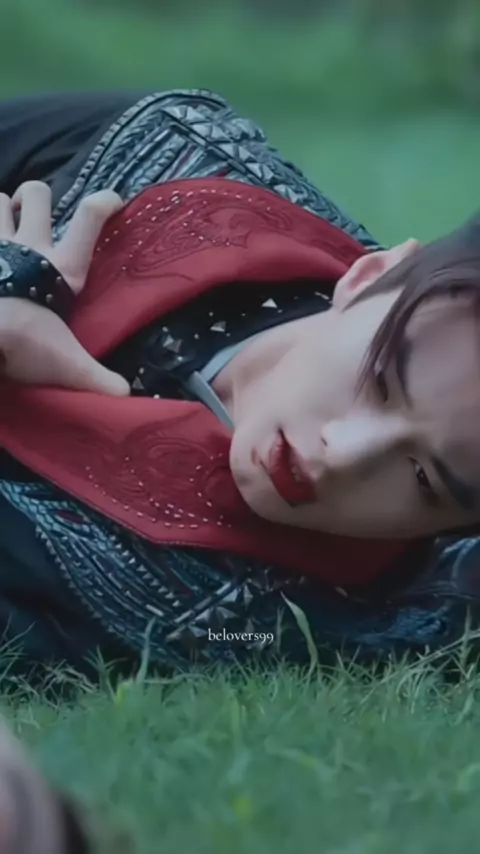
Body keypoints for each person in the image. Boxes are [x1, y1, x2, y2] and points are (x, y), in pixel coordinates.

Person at [0, 88, 479, 687]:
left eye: (424, 480)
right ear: (371, 275)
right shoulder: (168, 152)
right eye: (379, 380)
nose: (343, 453)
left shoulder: (279, 628)